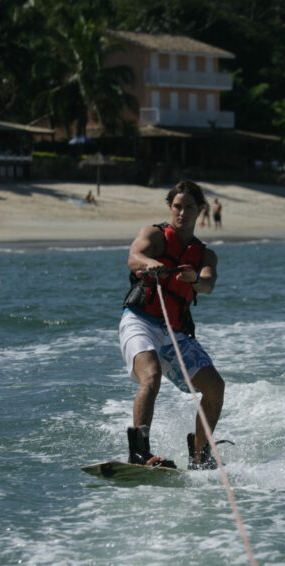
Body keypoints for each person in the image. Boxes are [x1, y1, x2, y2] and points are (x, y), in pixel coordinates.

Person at [119, 179, 224, 470]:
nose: (182, 213)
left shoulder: (205, 255)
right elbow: (133, 257)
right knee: (150, 376)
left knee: (215, 387)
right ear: (170, 207)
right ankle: (139, 452)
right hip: (140, 321)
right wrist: (146, 263)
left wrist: (195, 280)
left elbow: (208, 284)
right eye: (177, 206)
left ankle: (200, 453)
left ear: (200, 210)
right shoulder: (155, 235)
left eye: (189, 207)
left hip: (175, 332)